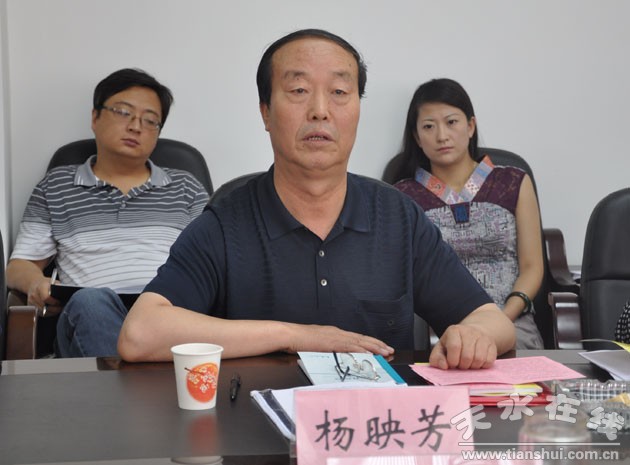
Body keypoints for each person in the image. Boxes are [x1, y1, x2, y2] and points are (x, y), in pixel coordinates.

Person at [118, 29, 515, 369]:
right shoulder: (227, 223)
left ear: (357, 109)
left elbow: (492, 321)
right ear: (266, 113)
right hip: (256, 427)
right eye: (298, 90)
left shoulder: (396, 216)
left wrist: (473, 335)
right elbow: (140, 334)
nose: (320, 110)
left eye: (340, 92)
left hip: (376, 425)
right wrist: (293, 336)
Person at [7, 68, 210, 357]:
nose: (136, 127)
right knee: (92, 301)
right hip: (89, 315)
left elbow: (213, 263)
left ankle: (130, 382)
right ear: (95, 117)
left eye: (150, 120)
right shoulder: (57, 186)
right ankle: (131, 384)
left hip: (166, 314)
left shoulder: (186, 188)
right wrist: (36, 283)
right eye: (124, 112)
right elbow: (20, 265)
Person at [393, 78, 544, 349]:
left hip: (510, 321)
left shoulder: (513, 182)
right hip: (433, 329)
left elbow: (532, 266)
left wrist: (501, 321)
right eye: (429, 126)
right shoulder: (402, 196)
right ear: (417, 137)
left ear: (471, 126)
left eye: (451, 122)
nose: (442, 135)